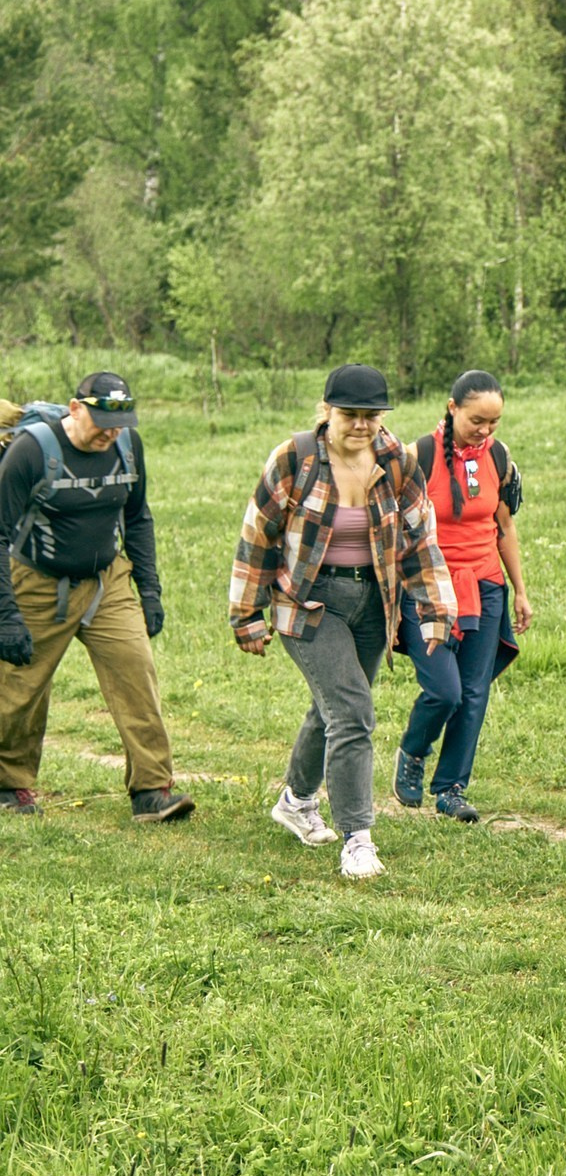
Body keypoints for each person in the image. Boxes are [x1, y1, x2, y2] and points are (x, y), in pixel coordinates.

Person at [230, 364, 458, 880]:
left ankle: (295, 800)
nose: (361, 426)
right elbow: (258, 536)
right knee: (353, 711)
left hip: (376, 602)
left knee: (333, 705)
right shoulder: (295, 459)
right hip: (309, 603)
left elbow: (422, 540)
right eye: (350, 415)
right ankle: (358, 838)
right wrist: (246, 614)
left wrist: (436, 612)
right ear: (327, 410)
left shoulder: (397, 461)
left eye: (371, 416)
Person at [0, 372, 190, 821]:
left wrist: (150, 590)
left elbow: (138, 516)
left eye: (119, 423)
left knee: (134, 669)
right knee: (18, 688)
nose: (110, 432)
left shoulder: (127, 445)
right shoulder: (32, 451)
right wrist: (7, 616)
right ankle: (9, 786)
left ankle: (151, 790)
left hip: (107, 580)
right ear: (75, 408)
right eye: (102, 421)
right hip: (37, 580)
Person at [393, 370, 530, 824]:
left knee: (473, 693)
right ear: (452, 408)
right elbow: (395, 531)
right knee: (445, 691)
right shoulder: (420, 455)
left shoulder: (499, 457)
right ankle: (413, 752)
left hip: (486, 586)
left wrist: (521, 592)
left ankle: (451, 788)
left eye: (494, 422)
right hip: (429, 589)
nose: (486, 430)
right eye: (477, 420)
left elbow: (504, 528)